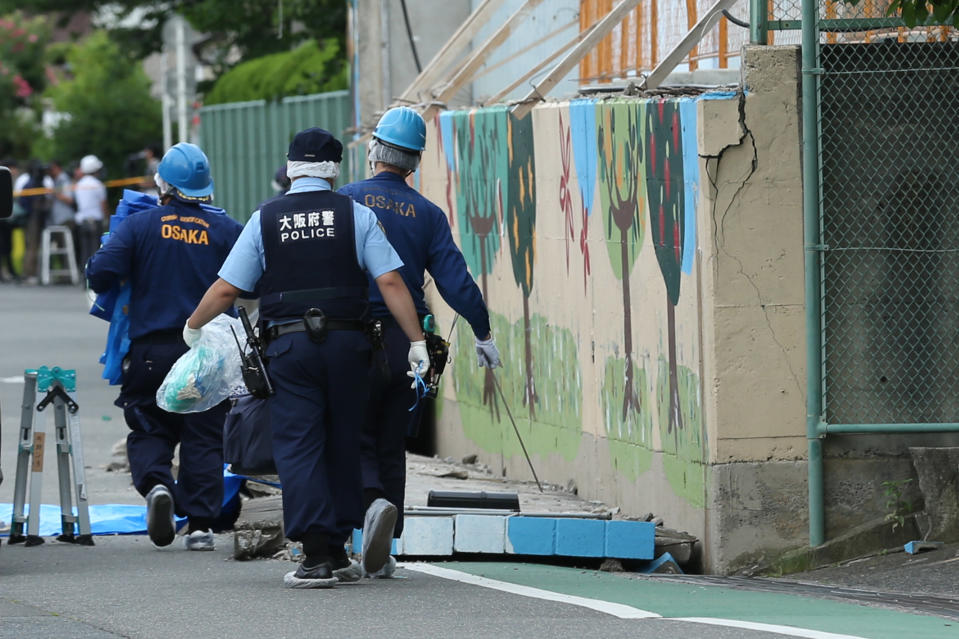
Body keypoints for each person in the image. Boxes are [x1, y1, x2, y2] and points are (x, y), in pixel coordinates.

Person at [185, 127, 429, 589]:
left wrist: (194, 325)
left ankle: (316, 557)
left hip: (289, 348)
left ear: (291, 165)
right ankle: (337, 550)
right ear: (335, 170)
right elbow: (391, 282)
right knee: (343, 442)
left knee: (299, 445)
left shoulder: (265, 218)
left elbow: (227, 288)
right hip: (349, 346)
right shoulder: (356, 216)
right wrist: (415, 340)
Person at [338, 107, 501, 578]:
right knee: (391, 441)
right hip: (404, 341)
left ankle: (367, 510)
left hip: (350, 335)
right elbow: (456, 281)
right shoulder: (427, 215)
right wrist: (482, 330)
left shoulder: (346, 201)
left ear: (373, 150)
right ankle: (385, 546)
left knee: (353, 435)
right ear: (414, 162)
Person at [85, 143, 243, 552]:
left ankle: (157, 486)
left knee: (150, 426)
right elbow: (256, 281)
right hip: (206, 352)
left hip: (152, 350)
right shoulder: (226, 230)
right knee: (204, 434)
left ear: (163, 186)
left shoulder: (139, 226)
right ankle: (202, 525)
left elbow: (101, 274)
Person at [74, 154, 107, 270]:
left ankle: (84, 277)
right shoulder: (98, 184)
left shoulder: (78, 184)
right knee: (95, 251)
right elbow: (103, 204)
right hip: (95, 221)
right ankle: (93, 278)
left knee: (85, 251)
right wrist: (106, 219)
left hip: (82, 221)